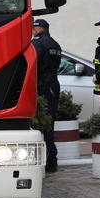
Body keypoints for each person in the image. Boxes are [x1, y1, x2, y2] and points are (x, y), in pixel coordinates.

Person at [31, 18, 62, 173]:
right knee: (49, 123)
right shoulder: (55, 44)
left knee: (40, 124)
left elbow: (32, 64)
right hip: (53, 86)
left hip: (41, 87)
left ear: (37, 29)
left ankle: (46, 160)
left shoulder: (37, 43)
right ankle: (52, 160)